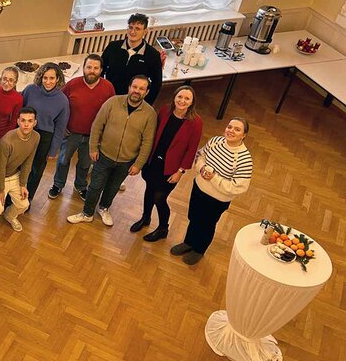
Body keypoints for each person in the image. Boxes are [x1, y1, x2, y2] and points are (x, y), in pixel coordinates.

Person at [67, 76, 157, 227]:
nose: (137, 91)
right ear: (129, 87)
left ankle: (104, 208)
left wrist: (138, 164)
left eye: (142, 89)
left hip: (126, 161)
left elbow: (147, 142)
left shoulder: (150, 114)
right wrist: (93, 148)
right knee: (95, 186)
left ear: (147, 92)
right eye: (134, 87)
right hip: (103, 155)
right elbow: (97, 126)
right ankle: (87, 213)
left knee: (113, 187)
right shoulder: (113, 102)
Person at [171, 118, 253, 265]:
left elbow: (238, 187)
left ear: (244, 135)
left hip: (216, 200)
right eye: (229, 127)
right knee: (194, 217)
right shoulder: (215, 141)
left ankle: (199, 250)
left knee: (207, 224)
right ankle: (188, 242)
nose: (231, 131)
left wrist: (214, 178)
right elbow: (200, 155)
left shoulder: (244, 159)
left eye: (237, 129)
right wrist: (202, 168)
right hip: (199, 189)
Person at [130, 85, 203, 242]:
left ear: (192, 102)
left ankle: (163, 228)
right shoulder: (164, 110)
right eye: (180, 97)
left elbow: (192, 150)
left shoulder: (196, 122)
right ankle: (145, 218)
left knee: (159, 198)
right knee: (149, 190)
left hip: (171, 168)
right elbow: (153, 133)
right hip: (153, 161)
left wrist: (180, 171)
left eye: (187, 98)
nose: (182, 101)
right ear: (174, 97)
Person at [49, 54, 115, 201]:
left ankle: (80, 186)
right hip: (70, 133)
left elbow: (111, 112)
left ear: (101, 70)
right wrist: (61, 125)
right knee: (63, 161)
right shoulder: (72, 84)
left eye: (96, 68)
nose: (92, 71)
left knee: (85, 164)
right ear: (83, 68)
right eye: (89, 67)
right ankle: (58, 185)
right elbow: (59, 103)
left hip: (92, 137)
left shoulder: (108, 87)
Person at [0, 108, 40, 236]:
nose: (26, 124)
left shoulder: (36, 137)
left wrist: (23, 184)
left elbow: (29, 161)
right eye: (23, 120)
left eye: (30, 121)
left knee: (24, 204)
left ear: (35, 123)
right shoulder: (7, 141)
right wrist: (1, 190)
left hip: (13, 174)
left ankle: (9, 215)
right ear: (18, 121)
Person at [22, 63, 70, 204]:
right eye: (45, 78)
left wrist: (53, 149)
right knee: (19, 164)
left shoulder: (62, 101)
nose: (48, 82)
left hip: (45, 137)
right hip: (26, 131)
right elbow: (21, 109)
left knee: (36, 169)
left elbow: (60, 128)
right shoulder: (30, 90)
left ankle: (27, 199)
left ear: (58, 79)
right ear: (40, 77)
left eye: (52, 78)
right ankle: (12, 195)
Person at [101, 13, 163, 105]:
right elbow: (101, 69)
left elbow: (156, 83)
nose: (132, 32)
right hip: (110, 97)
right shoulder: (113, 47)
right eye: (130, 27)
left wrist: (146, 103)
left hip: (134, 101)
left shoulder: (153, 55)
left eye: (137, 29)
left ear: (145, 31)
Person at [0, 67, 23, 149]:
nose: (6, 83)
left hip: (2, 134)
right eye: (4, 79)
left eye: (10, 80)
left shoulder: (18, 99)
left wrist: (1, 139)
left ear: (15, 82)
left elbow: (13, 122)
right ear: (1, 78)